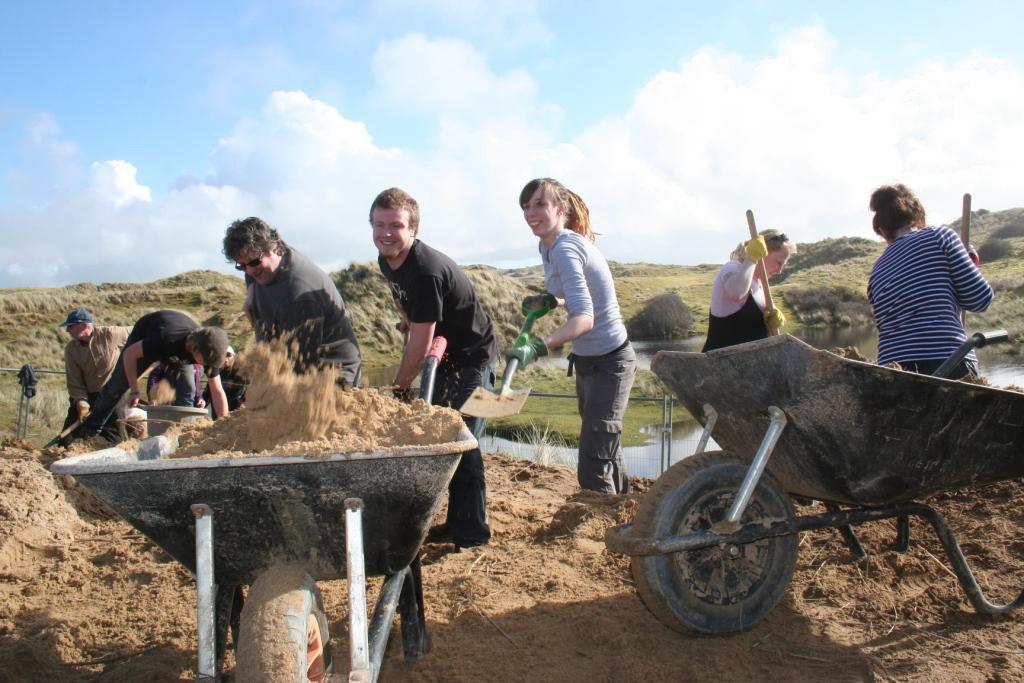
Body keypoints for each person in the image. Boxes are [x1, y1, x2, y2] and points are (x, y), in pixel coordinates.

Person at [371, 187, 498, 550]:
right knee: (443, 440)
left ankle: (473, 535)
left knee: (461, 441)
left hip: (473, 358)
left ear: (413, 229)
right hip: (445, 357)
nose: (385, 233)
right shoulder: (388, 259)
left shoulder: (425, 271)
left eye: (395, 225)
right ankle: (458, 523)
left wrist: (399, 386)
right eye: (379, 224)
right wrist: (410, 321)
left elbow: (422, 345)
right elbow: (407, 307)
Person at [513, 177, 635, 495]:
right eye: (526, 206)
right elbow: (578, 298)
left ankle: (596, 531)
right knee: (604, 442)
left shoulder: (566, 248)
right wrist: (553, 301)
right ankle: (623, 507)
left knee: (594, 459)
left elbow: (584, 319)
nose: (531, 212)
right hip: (586, 361)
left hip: (612, 361)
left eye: (539, 204)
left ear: (560, 208)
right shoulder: (548, 245)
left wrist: (540, 346)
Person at [868, 183, 993, 377]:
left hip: (892, 373)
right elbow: (980, 299)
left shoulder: (877, 270)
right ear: (918, 218)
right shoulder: (940, 237)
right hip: (947, 361)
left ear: (883, 230)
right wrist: (970, 267)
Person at [223, 217, 361, 386]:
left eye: (254, 263)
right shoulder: (271, 255)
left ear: (273, 247)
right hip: (289, 350)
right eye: (241, 266)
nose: (249, 271)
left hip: (331, 374)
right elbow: (249, 263)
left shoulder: (298, 295)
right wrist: (250, 292)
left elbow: (300, 368)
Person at [64, 310, 231, 445]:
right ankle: (89, 435)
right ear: (194, 350)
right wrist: (135, 390)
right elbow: (129, 355)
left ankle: (182, 432)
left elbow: (217, 390)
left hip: (178, 351)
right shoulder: (165, 339)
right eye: (204, 362)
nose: (207, 366)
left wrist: (224, 424)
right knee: (116, 388)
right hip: (147, 332)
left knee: (188, 387)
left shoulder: (210, 354)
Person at [703, 230, 797, 352]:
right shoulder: (733, 268)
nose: (780, 270)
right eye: (779, 263)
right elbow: (737, 293)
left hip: (749, 365)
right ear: (764, 252)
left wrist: (771, 326)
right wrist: (752, 258)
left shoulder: (760, 285)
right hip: (719, 364)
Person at [56, 308, 130, 438]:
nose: (68, 331)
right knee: (70, 434)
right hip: (89, 395)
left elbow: (137, 331)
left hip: (113, 393)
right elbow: (74, 379)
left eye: (71, 327)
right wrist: (80, 401)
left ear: (84, 326)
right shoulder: (71, 349)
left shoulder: (110, 334)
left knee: (115, 432)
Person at [203, 345, 247, 418]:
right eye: (223, 355)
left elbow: (248, 392)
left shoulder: (242, 374)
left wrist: (242, 402)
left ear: (234, 356)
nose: (226, 358)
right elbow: (207, 393)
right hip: (218, 417)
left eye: (228, 355)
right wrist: (202, 401)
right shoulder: (216, 374)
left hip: (236, 417)